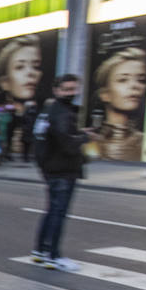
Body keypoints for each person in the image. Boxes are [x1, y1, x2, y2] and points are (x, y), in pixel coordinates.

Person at [30, 74, 95, 272]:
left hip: (51, 168)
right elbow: (67, 143)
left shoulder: (48, 111)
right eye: (67, 89)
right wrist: (85, 137)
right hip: (63, 169)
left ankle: (41, 251)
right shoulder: (62, 112)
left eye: (74, 89)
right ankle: (53, 256)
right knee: (59, 213)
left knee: (51, 211)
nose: (72, 93)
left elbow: (46, 137)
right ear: (56, 90)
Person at [92, 48, 146, 162]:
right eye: (123, 80)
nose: (134, 86)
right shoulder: (91, 142)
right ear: (105, 93)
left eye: (141, 80)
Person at [0, 34, 43, 161]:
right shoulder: (5, 111)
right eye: (20, 67)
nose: (30, 73)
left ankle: (20, 156)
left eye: (36, 66)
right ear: (4, 82)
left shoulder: (34, 110)